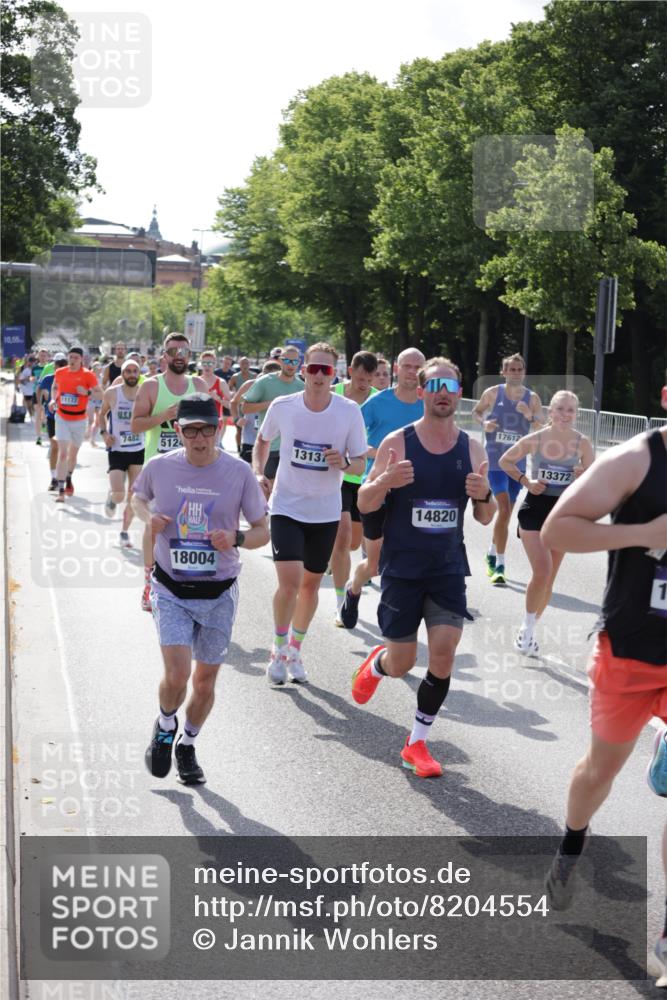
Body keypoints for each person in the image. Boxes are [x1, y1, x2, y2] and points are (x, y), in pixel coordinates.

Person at [540, 420, 666, 972]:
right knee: (600, 770)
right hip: (632, 650)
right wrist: (644, 533)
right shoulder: (637, 459)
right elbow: (558, 530)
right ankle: (571, 846)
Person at [352, 357, 496, 777]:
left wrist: (485, 495)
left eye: (450, 386)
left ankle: (416, 743)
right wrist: (385, 481)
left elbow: (485, 516)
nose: (443, 393)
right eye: (435, 386)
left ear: (459, 393)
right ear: (421, 392)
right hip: (402, 568)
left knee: (444, 654)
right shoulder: (398, 443)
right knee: (402, 663)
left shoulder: (471, 449)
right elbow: (364, 503)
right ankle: (378, 664)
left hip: (447, 567)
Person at [132, 394, 269, 785]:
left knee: (205, 682)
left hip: (219, 592)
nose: (199, 439)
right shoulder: (160, 467)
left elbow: (263, 531)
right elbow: (138, 499)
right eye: (190, 431)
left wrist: (236, 538)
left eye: (206, 430)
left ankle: (188, 745)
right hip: (171, 588)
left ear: (219, 428)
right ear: (178, 431)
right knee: (177, 675)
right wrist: (148, 518)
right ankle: (165, 725)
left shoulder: (238, 473)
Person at [253, 342, 367, 683]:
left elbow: (360, 462)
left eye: (325, 370)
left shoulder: (348, 411)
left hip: (325, 512)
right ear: (303, 370)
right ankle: (277, 648)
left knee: (310, 587)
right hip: (286, 507)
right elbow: (262, 440)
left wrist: (343, 463)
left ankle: (295, 650)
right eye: (313, 369)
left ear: (335, 374)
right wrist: (259, 472)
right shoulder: (283, 406)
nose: (318, 375)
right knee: (289, 584)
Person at [500, 390, 594, 654]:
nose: (565, 414)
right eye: (560, 409)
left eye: (570, 410)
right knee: (542, 570)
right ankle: (526, 629)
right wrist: (526, 481)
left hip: (563, 513)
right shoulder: (537, 438)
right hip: (534, 509)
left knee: (549, 580)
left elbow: (594, 480)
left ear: (576, 414)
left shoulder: (582, 443)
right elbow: (505, 460)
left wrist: (582, 476)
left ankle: (529, 629)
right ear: (550, 412)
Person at [338, 347, 425, 629]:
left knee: (409, 558)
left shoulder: (429, 404)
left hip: (416, 493)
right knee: (374, 565)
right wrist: (377, 453)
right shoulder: (378, 403)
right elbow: (351, 437)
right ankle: (353, 588)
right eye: (407, 366)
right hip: (378, 490)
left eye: (417, 367)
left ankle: (396, 619)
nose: (412, 372)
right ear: (397, 369)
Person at [131, 333, 207, 611]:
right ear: (164, 356)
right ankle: (149, 582)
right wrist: (165, 416)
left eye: (184, 351)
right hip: (159, 469)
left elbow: (210, 426)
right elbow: (135, 425)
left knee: (193, 528)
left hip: (194, 469)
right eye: (173, 351)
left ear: (190, 355)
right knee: (155, 526)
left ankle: (185, 583)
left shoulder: (199, 385)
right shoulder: (152, 386)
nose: (179, 356)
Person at [472, 353, 544, 585]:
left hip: (517, 463)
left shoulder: (532, 398)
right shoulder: (493, 393)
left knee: (506, 514)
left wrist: (529, 416)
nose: (515, 373)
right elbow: (476, 412)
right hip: (495, 461)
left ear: (524, 372)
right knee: (503, 509)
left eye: (519, 369)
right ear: (503, 372)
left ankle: (491, 552)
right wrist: (484, 423)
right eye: (511, 369)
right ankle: (500, 565)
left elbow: (542, 426)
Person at [329, 351, 378, 624]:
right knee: (343, 536)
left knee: (355, 542)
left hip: (365, 478)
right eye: (360, 377)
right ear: (350, 371)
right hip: (337, 477)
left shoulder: (377, 400)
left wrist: (370, 451)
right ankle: (341, 603)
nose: (364, 383)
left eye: (369, 379)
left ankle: (344, 574)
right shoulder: (333, 394)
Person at [243, 345, 305, 494]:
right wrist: (272, 404)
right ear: (280, 361)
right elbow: (245, 408)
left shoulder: (302, 386)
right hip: (268, 446)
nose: (290, 365)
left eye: (294, 361)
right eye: (287, 361)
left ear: (299, 363)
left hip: (291, 449)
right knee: (266, 489)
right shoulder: (265, 382)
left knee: (284, 491)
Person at [98, 359, 145, 547]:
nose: (132, 374)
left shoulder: (144, 393)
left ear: (139, 374)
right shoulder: (112, 393)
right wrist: (104, 434)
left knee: (133, 496)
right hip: (117, 449)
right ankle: (112, 497)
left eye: (135, 371)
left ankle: (124, 532)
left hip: (138, 449)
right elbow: (101, 414)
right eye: (128, 371)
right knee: (119, 495)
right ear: (122, 374)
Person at [49, 347, 98, 502]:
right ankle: (61, 490)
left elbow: (101, 393)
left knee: (73, 454)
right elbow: (55, 387)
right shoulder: (60, 372)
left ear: (81, 359)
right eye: (71, 357)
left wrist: (87, 393)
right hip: (62, 417)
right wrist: (53, 400)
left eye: (76, 357)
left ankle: (69, 476)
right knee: (63, 453)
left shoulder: (88, 375)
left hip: (79, 419)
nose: (73, 360)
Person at [231, 360, 281, 463]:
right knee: (249, 469)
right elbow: (234, 402)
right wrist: (236, 419)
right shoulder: (250, 384)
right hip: (250, 438)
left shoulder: (283, 388)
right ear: (263, 374)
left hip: (273, 442)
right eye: (269, 377)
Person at [37, 353, 66, 489]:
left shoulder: (70, 379)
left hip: (67, 418)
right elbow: (39, 389)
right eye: (57, 364)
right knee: (54, 447)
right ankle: (53, 478)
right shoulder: (48, 379)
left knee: (63, 450)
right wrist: (40, 405)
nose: (59, 366)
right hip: (52, 416)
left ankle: (63, 477)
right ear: (54, 365)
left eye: (62, 364)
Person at [198, 349, 231, 419]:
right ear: (201, 365)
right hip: (198, 420)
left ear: (215, 365)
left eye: (210, 363)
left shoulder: (221, 382)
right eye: (204, 363)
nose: (207, 366)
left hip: (215, 422)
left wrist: (218, 399)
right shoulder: (196, 381)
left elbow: (230, 405)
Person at [32, 348, 50, 445]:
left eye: (44, 356)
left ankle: (44, 422)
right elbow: (32, 377)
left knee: (44, 413)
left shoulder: (50, 367)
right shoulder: (35, 368)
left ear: (47, 357)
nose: (42, 357)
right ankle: (38, 437)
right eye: (41, 355)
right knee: (38, 414)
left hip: (47, 393)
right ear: (38, 356)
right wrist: (32, 379)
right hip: (36, 392)